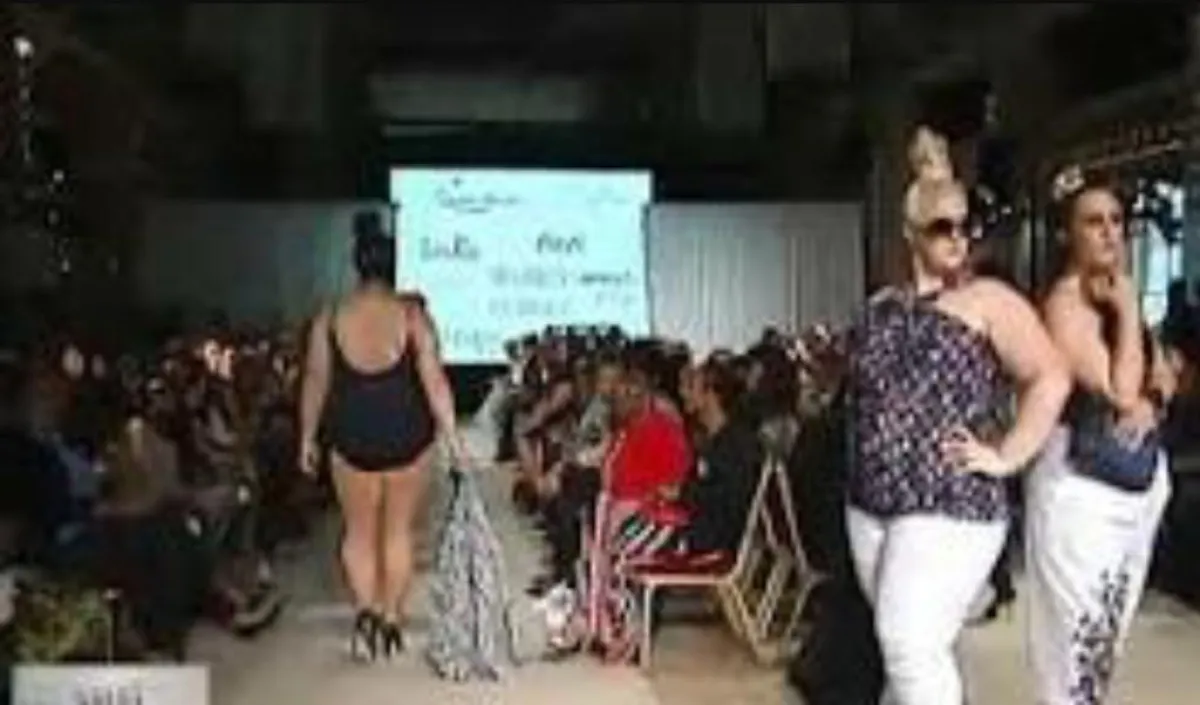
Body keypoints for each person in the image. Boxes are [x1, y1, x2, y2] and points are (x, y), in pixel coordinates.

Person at [839, 127, 1069, 705]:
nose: (958, 237)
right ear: (911, 232)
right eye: (943, 226)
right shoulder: (881, 306)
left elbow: (1051, 376)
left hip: (950, 499)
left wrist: (1008, 455)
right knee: (911, 654)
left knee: (909, 645)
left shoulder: (989, 301)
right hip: (870, 503)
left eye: (967, 225)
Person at [1026, 168, 1175, 704]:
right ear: (1069, 233)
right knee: (1078, 649)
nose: (1110, 232)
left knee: (1103, 645)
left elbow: (1164, 376)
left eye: (1116, 220)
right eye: (1094, 222)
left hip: (1134, 489)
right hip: (1080, 491)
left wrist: (1153, 399)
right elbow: (1121, 389)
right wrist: (1129, 310)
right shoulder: (1066, 304)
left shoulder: (1114, 293)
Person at [299, 225, 466, 661]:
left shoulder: (330, 316)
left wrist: (306, 437)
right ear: (395, 267)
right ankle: (391, 618)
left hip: (351, 436)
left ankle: (366, 612)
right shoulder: (412, 316)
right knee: (397, 531)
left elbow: (315, 380)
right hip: (407, 434)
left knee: (357, 531)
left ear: (357, 266)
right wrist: (453, 438)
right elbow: (435, 381)